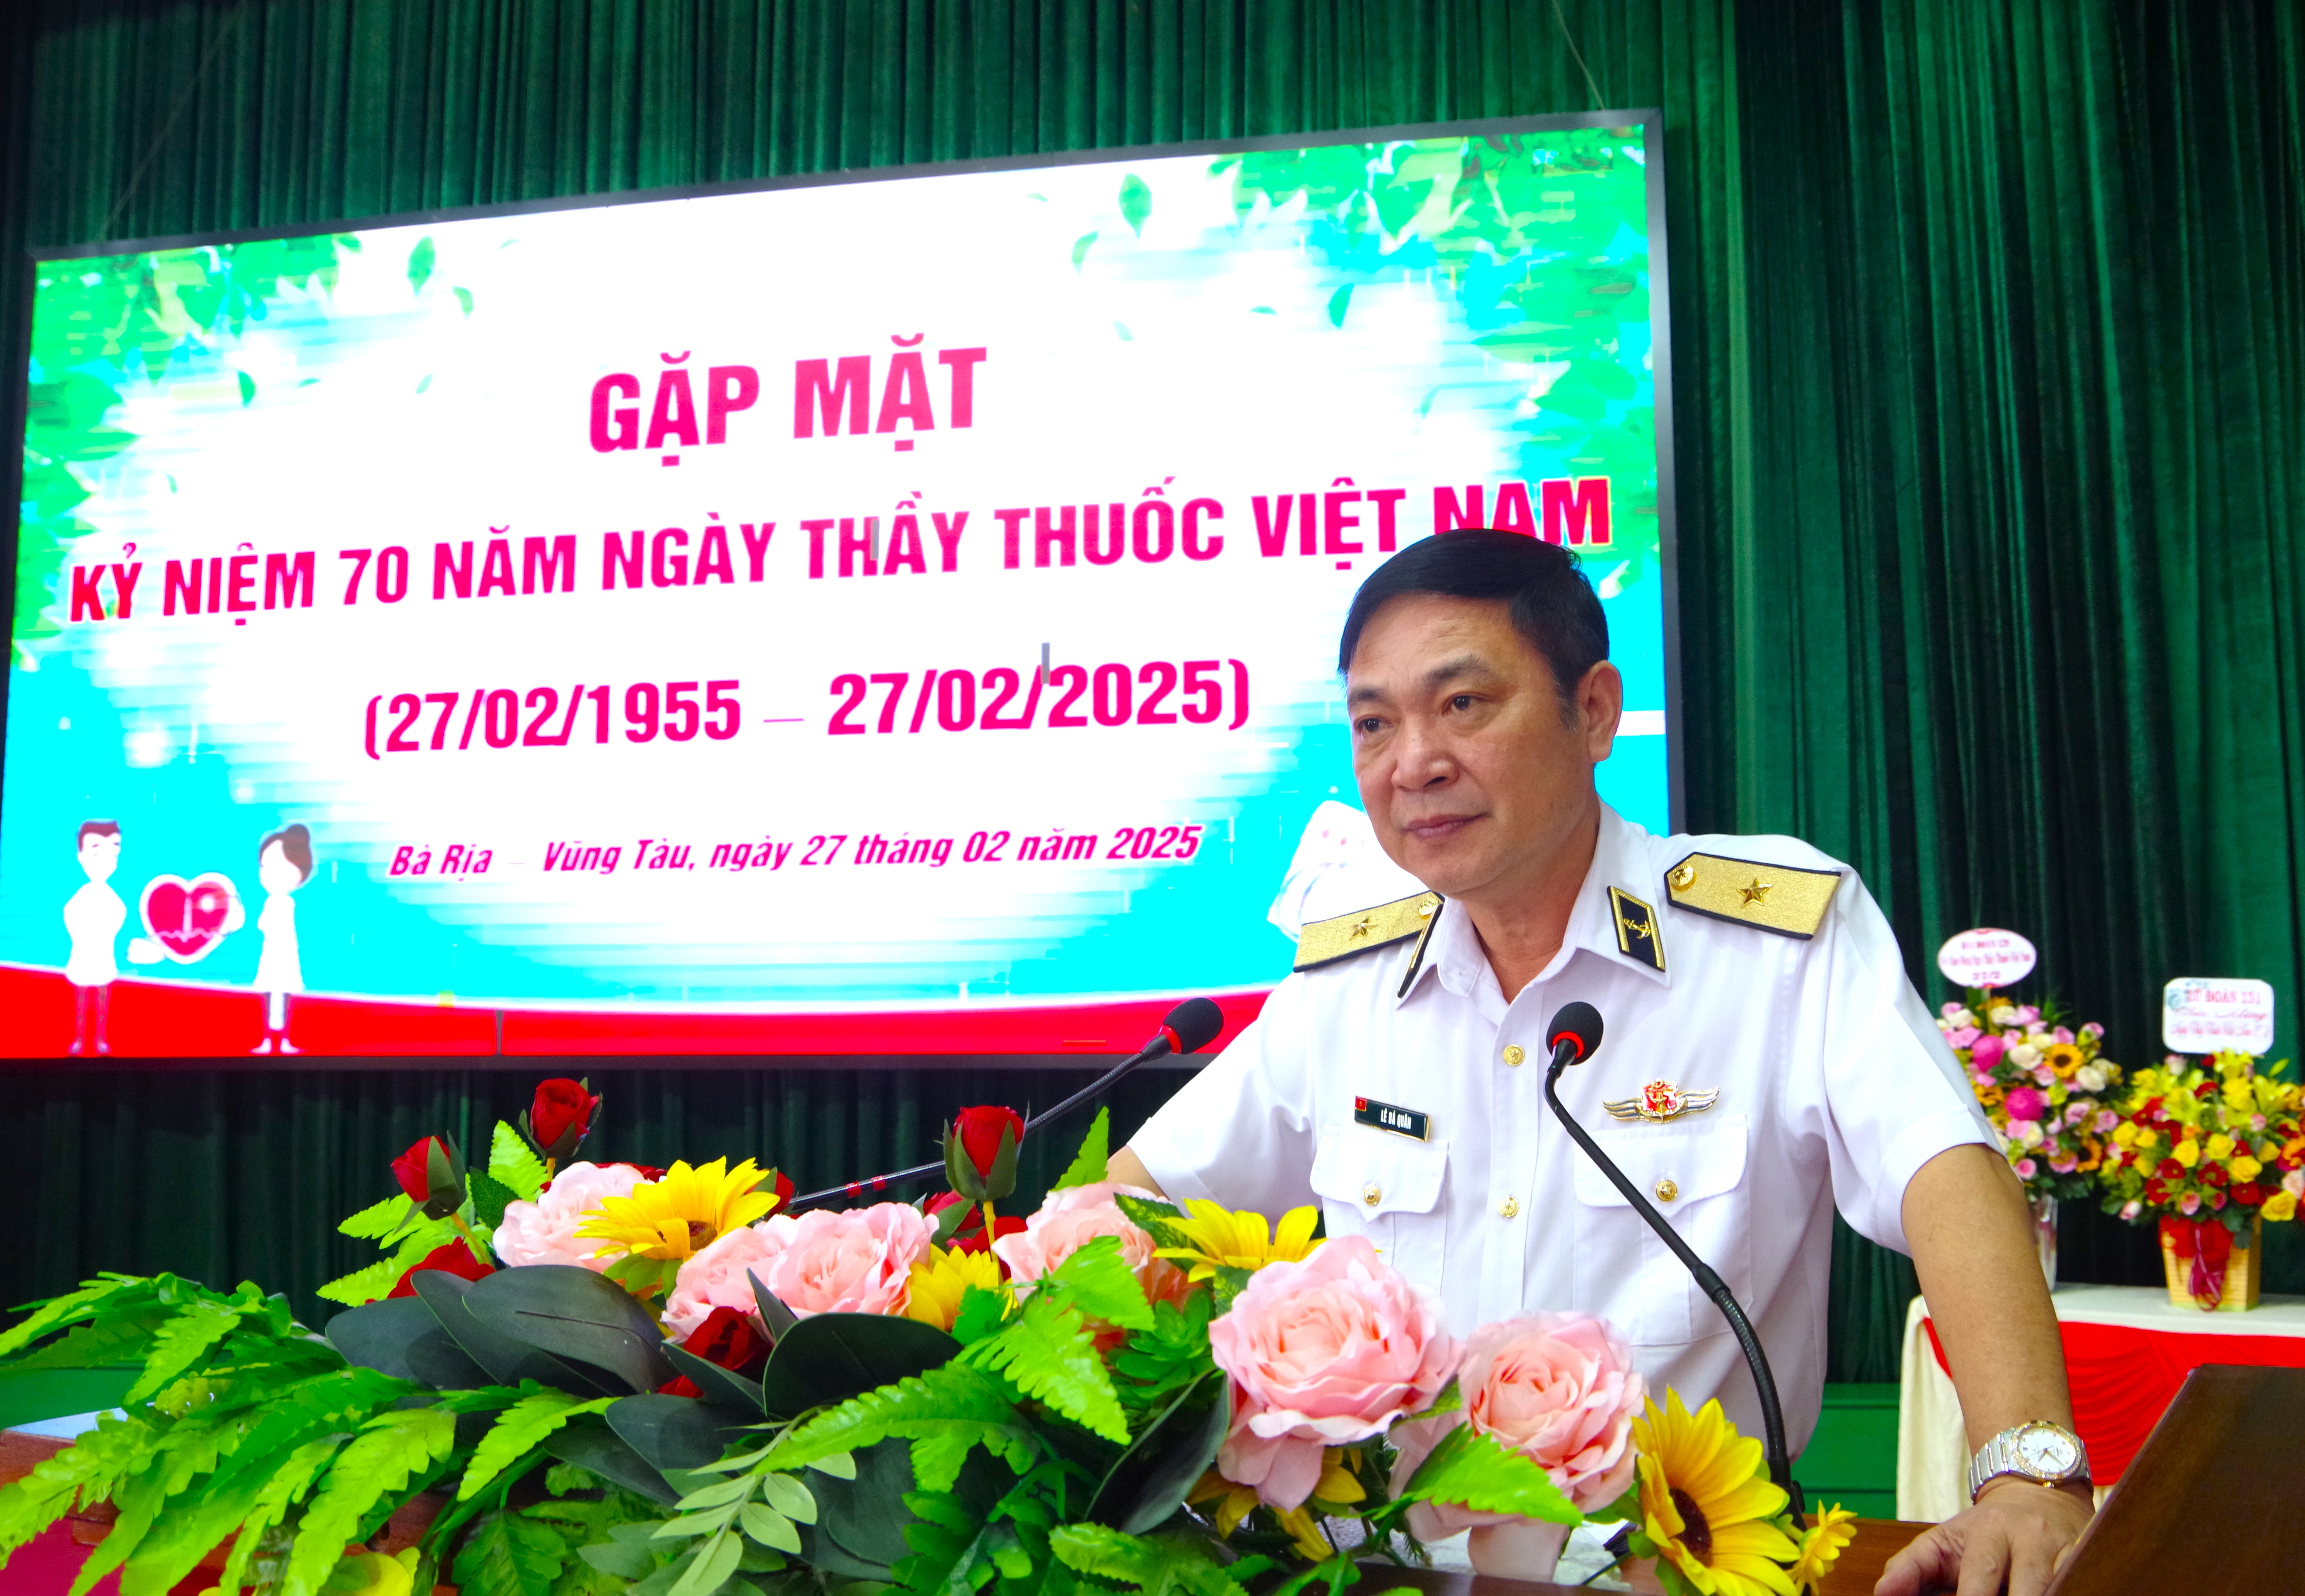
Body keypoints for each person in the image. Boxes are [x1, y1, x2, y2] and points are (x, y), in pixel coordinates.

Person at [1110, 530, 2092, 1596]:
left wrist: (2026, 1471)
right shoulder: (1347, 977)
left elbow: (1942, 1170)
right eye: (1373, 722)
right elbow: (1135, 1203)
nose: (1412, 762)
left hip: (1675, 1571)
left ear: (1592, 710)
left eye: (1462, 703)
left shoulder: (1772, 941)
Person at [63, 819, 126, 1055]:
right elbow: (69, 918)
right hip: (81, 959)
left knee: (102, 1003)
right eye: (96, 852)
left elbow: (119, 920)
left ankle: (101, 1039)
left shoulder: (114, 899)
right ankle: (79, 1039)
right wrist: (82, 941)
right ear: (80, 856)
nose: (105, 861)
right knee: (80, 1003)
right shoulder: (79, 897)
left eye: (113, 854)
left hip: (104, 960)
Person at [251, 822, 314, 1054]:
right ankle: (268, 1040)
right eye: (265, 867)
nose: (271, 874)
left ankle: (283, 1039)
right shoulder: (274, 902)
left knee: (284, 999)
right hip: (272, 957)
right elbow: (263, 926)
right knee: (269, 998)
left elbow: (269, 927)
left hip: (284, 957)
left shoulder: (286, 903)